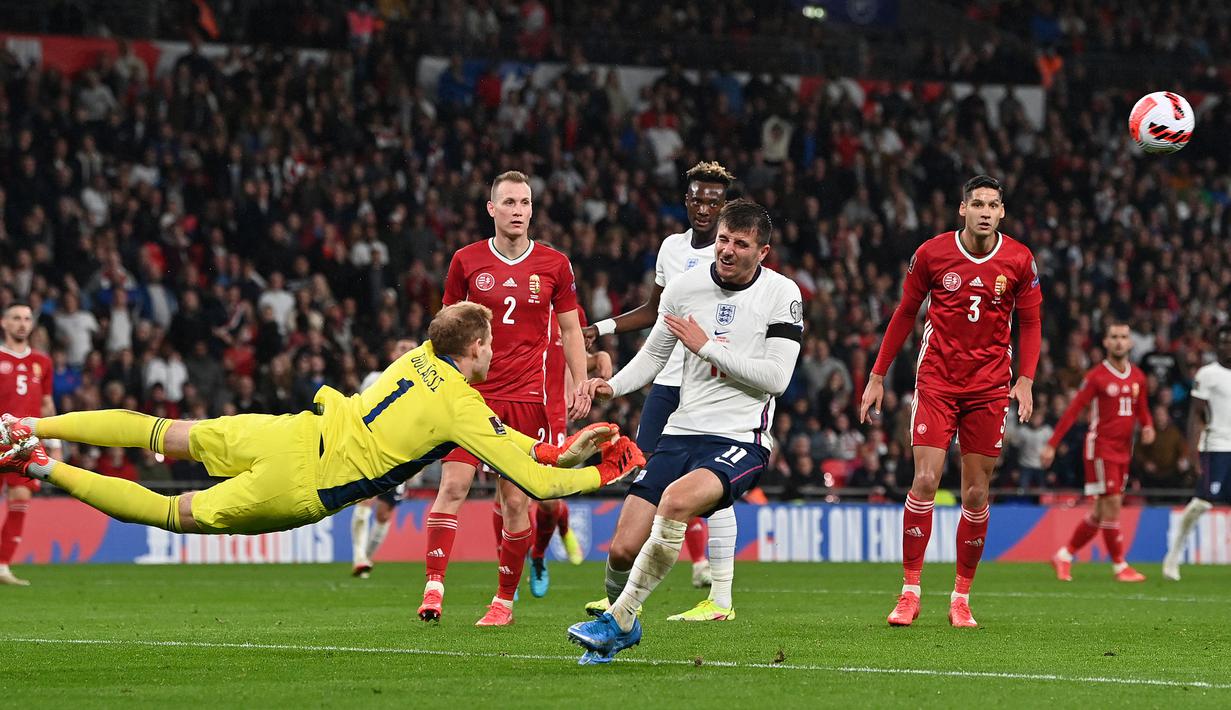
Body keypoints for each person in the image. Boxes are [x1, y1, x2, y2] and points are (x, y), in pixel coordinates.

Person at [0, 303, 644, 549]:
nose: (495, 351)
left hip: (286, 430)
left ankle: (25, 423)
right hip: (305, 482)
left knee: (161, 432)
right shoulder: (463, 408)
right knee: (174, 514)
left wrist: (565, 449)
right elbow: (534, 479)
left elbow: (531, 454)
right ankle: (38, 464)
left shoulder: (415, 357)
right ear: (473, 349)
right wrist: (601, 468)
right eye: (490, 343)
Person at [567, 199, 803, 664]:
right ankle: (621, 618)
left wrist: (707, 347)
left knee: (675, 502)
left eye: (741, 244)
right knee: (621, 549)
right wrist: (609, 386)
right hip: (681, 432)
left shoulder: (782, 294)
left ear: (763, 252)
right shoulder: (684, 288)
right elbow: (655, 357)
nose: (728, 251)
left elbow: (777, 379)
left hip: (740, 439)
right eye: (723, 240)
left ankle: (620, 620)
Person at [859, 175, 1042, 628]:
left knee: (976, 492)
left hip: (989, 386)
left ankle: (961, 597)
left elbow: (1032, 323)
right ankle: (910, 591)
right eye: (976, 203)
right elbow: (905, 313)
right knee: (924, 481)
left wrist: (1026, 380)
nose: (984, 211)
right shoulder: (932, 253)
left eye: (992, 205)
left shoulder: (1019, 259)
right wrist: (877, 375)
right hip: (937, 380)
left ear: (1002, 213)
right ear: (962, 209)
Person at [419, 171, 593, 626]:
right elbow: (445, 327)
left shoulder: (555, 264)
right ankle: (433, 589)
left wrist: (580, 379)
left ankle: (503, 603)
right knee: (452, 486)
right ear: (491, 209)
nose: (518, 211)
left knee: (516, 502)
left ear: (532, 210)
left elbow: (572, 329)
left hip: (527, 398)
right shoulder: (466, 261)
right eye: (509, 203)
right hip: (470, 398)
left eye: (524, 203)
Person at [583, 161, 741, 621]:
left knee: (714, 485)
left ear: (726, 206)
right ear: (686, 201)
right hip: (666, 381)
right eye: (698, 198)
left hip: (709, 386)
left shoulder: (733, 255)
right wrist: (604, 327)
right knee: (646, 476)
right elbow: (656, 311)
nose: (705, 207)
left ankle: (720, 597)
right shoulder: (671, 249)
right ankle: (619, 595)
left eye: (714, 200)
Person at [1041, 321, 1154, 582]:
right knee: (1112, 504)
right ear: (1105, 342)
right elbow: (1072, 411)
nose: (1118, 341)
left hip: (1124, 450)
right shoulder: (1096, 377)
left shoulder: (1138, 376)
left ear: (1130, 342)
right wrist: (1052, 443)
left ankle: (1064, 555)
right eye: (1113, 336)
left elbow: (1142, 409)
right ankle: (1119, 565)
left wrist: (1147, 426)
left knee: (1100, 512)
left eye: (1123, 337)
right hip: (1101, 449)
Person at [1162, 326, 1231, 581]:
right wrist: (1193, 453)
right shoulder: (1208, 375)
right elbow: (1195, 416)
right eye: (1223, 342)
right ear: (1216, 345)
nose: (1227, 347)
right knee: (1202, 503)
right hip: (1217, 448)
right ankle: (1174, 555)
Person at [0, 303, 58, 585]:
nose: (22, 323)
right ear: (4, 323)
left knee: (20, 498)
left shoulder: (42, 362)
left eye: (26, 318)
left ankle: (2, 566)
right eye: (16, 318)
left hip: (27, 441)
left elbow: (47, 404)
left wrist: (56, 441)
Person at [351, 337, 418, 579]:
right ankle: (359, 558)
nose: (407, 351)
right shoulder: (374, 378)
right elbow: (358, 412)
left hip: (401, 454)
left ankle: (366, 557)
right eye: (402, 347)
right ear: (392, 353)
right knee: (364, 499)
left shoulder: (425, 384)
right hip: (371, 448)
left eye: (412, 349)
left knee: (384, 513)